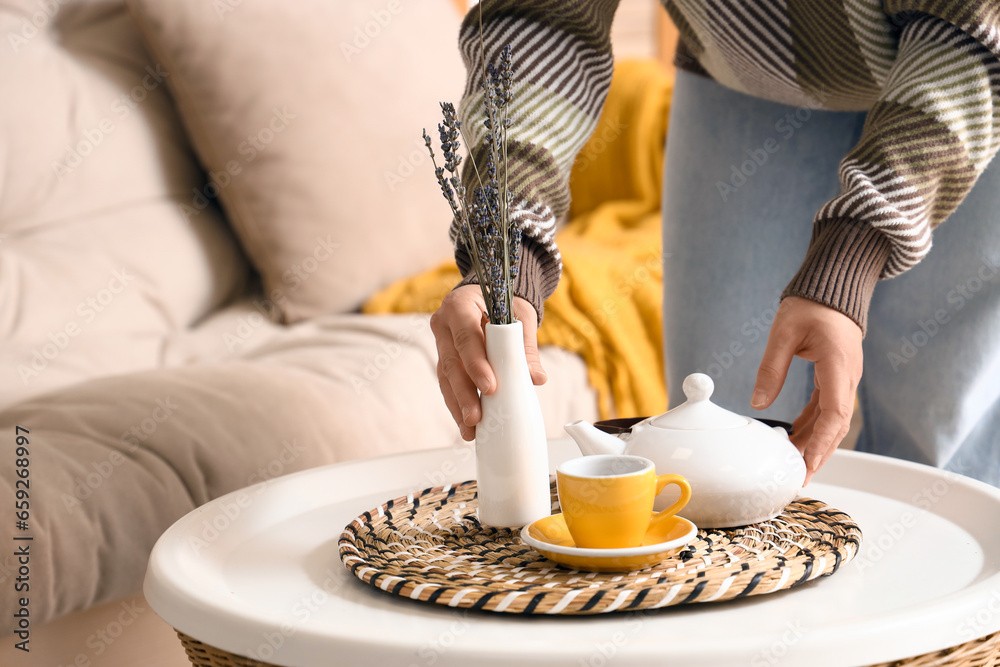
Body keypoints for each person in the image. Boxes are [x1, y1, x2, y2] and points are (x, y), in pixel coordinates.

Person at [431, 0, 1000, 487]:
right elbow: (540, 18)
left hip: (969, 53)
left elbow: (974, 28)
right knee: (714, 436)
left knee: (937, 448)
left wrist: (852, 255)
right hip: (751, 59)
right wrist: (505, 251)